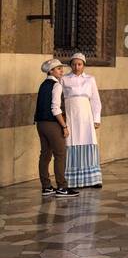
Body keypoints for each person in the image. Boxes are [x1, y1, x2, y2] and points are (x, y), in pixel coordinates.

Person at [35, 59, 77, 197]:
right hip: (52, 123)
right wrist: (64, 126)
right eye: (58, 68)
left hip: (40, 123)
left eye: (61, 68)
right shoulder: (56, 85)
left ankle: (46, 186)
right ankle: (62, 187)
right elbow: (55, 109)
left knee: (45, 154)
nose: (61, 70)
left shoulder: (43, 84)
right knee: (60, 154)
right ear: (51, 71)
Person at [61, 52, 103, 189]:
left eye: (79, 64)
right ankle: (72, 180)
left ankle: (93, 179)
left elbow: (96, 100)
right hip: (71, 116)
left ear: (84, 65)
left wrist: (96, 118)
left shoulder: (90, 79)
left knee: (88, 141)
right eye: (74, 64)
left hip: (86, 117)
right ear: (70, 65)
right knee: (71, 142)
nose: (76, 67)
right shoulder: (64, 79)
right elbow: (59, 99)